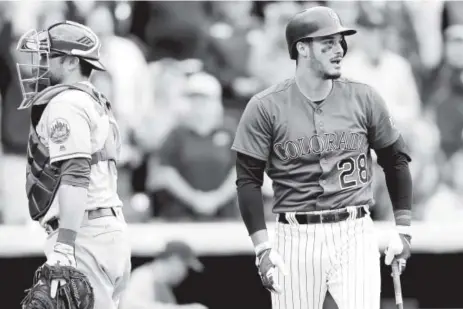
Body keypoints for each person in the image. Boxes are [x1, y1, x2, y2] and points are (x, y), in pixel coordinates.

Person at [231, 7, 413, 309]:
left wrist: (403, 228)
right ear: (302, 48)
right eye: (326, 42)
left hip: (354, 230)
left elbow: (396, 160)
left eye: (340, 41)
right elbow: (247, 179)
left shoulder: (364, 97)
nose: (338, 49)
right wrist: (262, 247)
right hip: (295, 235)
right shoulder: (265, 106)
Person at [16, 21, 131, 309]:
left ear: (70, 61)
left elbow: (75, 175)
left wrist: (65, 244)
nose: (39, 64)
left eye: (47, 56)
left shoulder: (67, 102)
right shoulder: (92, 99)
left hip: (83, 234)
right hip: (99, 230)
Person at [120, 240, 207, 309]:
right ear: (174, 260)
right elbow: (130, 307)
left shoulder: (161, 284)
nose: (185, 273)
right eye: (185, 267)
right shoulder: (143, 277)